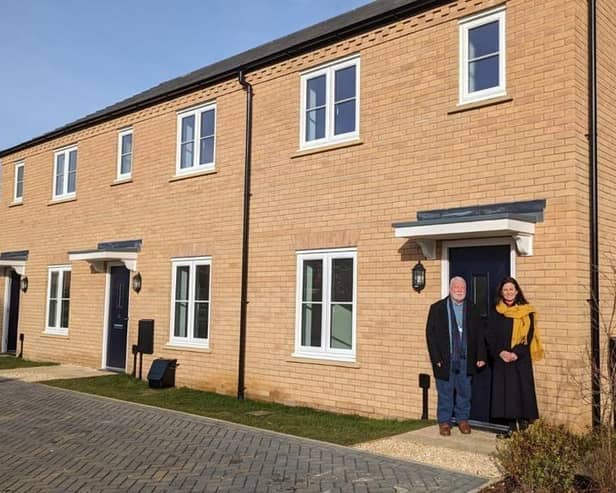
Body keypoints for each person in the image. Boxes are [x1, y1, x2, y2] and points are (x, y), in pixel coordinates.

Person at [426, 277, 487, 436]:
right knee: (445, 391)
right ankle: (445, 422)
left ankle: (462, 420)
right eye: (456, 287)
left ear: (466, 290)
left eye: (462, 287)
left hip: (466, 358)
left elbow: (480, 334)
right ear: (450, 288)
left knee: (464, 391)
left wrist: (481, 355)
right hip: (445, 359)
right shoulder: (437, 308)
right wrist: (436, 358)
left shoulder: (472, 308)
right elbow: (430, 335)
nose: (459, 290)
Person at [488, 277, 544, 438]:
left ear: (517, 291)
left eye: (511, 289)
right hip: (502, 358)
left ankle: (525, 426)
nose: (508, 292)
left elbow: (530, 334)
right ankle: (512, 428)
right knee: (507, 394)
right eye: (505, 289)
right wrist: (500, 352)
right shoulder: (496, 311)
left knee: (521, 392)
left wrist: (516, 353)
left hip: (520, 358)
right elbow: (489, 334)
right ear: (501, 292)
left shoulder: (526, 311)